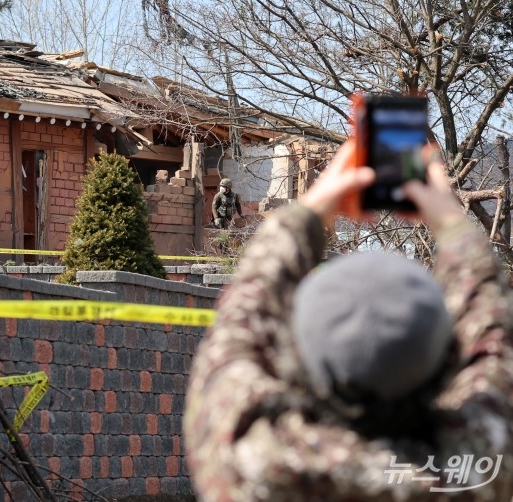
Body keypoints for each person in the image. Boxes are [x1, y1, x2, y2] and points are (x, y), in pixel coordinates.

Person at [184, 139, 513, 501]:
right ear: (447, 359)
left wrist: (313, 205)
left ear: (295, 355)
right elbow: (492, 334)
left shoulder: (254, 464)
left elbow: (241, 317)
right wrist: (448, 215)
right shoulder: (477, 467)